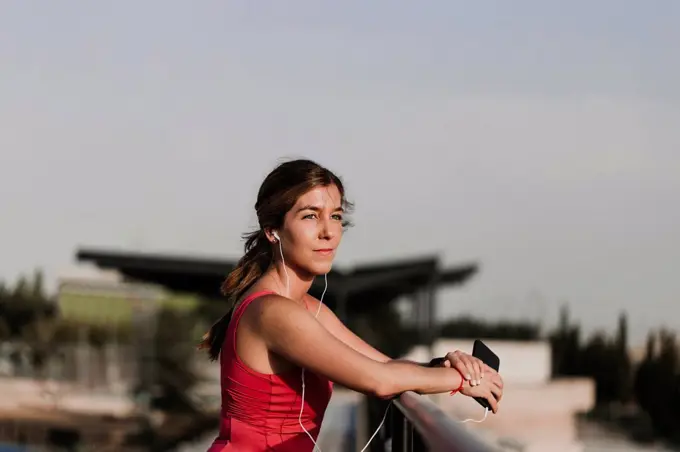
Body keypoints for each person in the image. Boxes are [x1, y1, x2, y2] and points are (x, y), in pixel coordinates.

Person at [200, 159, 504, 451]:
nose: (328, 232)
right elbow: (378, 382)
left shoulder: (308, 309)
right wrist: (463, 380)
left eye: (335, 216)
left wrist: (443, 364)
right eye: (310, 215)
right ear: (272, 230)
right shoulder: (273, 312)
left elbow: (384, 365)